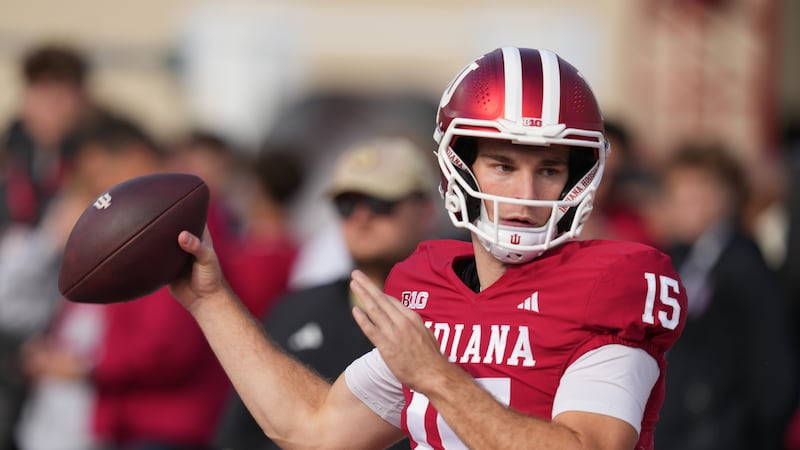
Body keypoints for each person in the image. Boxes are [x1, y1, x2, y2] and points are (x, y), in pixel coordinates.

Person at [169, 47, 687, 450]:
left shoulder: (610, 286)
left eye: (549, 171)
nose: (526, 196)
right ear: (459, 166)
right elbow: (315, 430)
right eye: (504, 166)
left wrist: (436, 375)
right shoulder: (429, 287)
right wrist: (210, 302)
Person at [214, 136, 436, 450]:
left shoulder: (457, 315)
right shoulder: (294, 308)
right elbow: (238, 433)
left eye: (380, 202)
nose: (361, 216)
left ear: (425, 212)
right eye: (346, 204)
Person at [652, 142, 797, 450]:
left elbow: (774, 366)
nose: (684, 208)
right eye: (677, 197)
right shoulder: (675, 258)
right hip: (676, 429)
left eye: (697, 197)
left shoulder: (747, 268)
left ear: (728, 198)